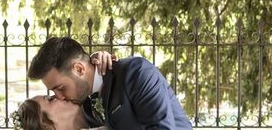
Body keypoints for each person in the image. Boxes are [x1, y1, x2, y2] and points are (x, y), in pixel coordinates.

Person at [26, 37, 191, 130]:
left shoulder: (135, 74)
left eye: (60, 88)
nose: (60, 97)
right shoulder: (86, 107)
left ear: (79, 69)